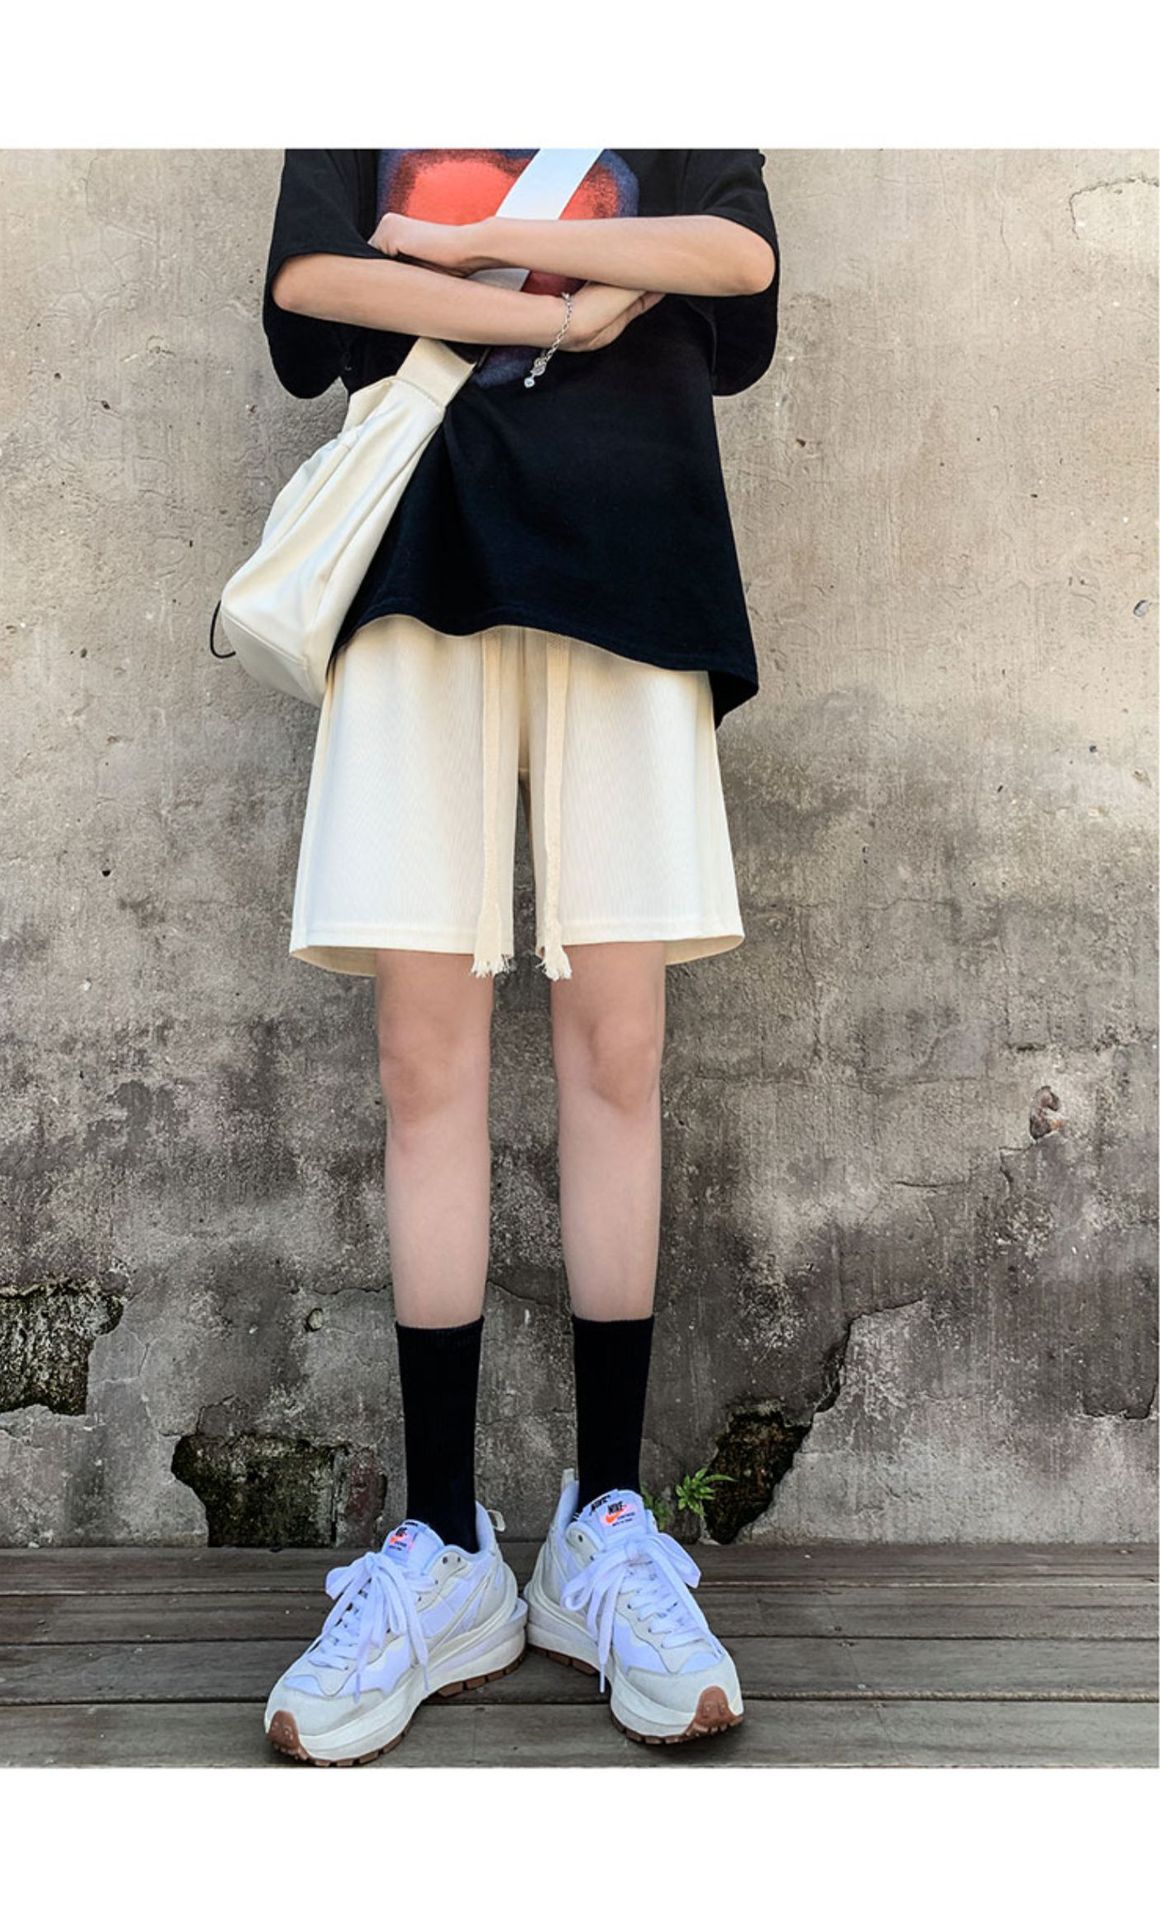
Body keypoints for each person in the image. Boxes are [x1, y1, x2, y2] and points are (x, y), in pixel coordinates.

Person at [254, 148, 780, 1766]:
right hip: (420, 562)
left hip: (635, 555)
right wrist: (572, 301)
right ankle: (445, 1550)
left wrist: (475, 242)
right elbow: (312, 278)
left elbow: (737, 258)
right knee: (425, 1058)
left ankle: (606, 1528)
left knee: (619, 1047)